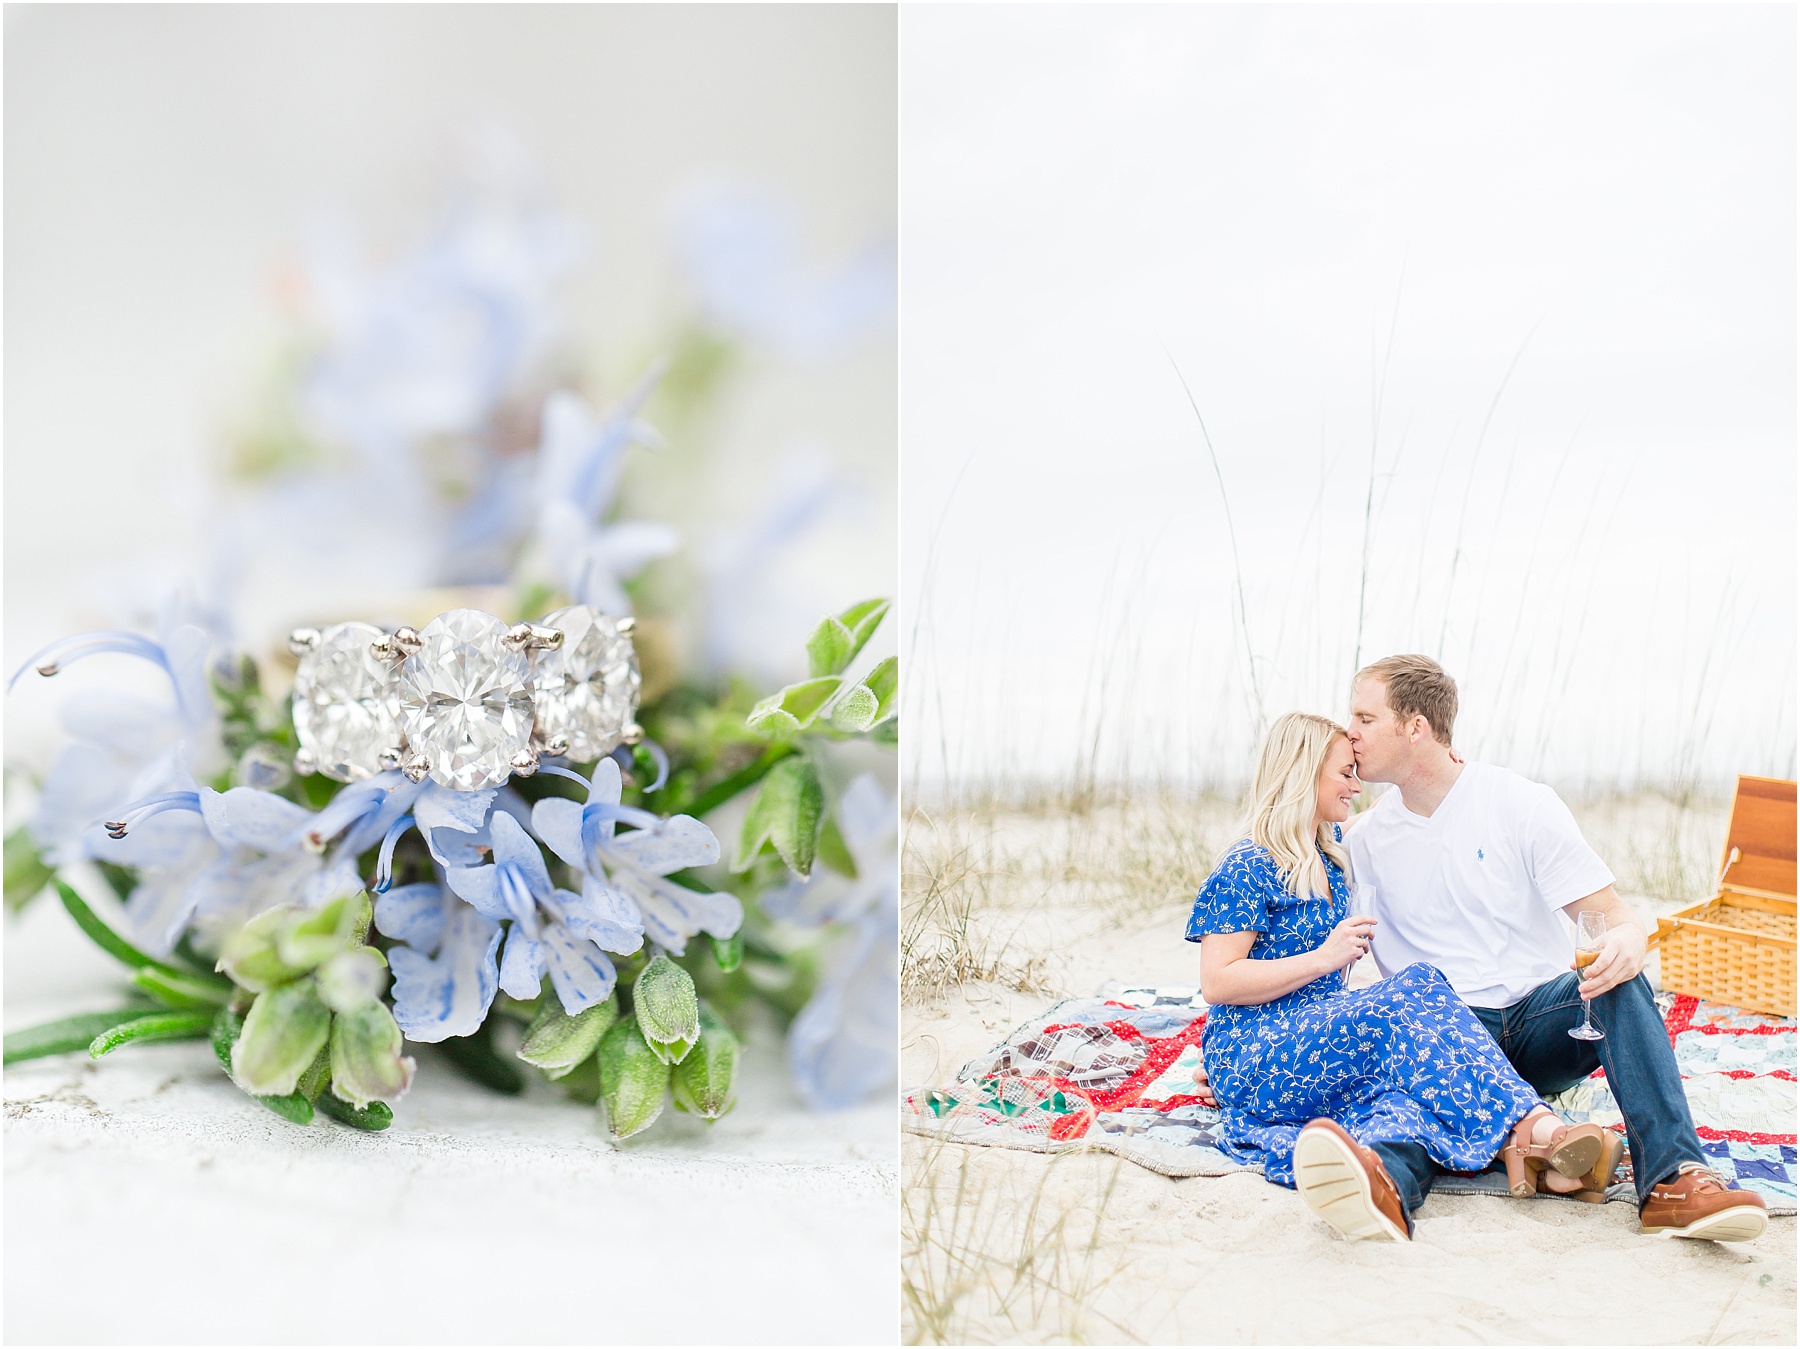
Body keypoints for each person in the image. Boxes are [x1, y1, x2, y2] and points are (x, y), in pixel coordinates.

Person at [1192, 657, 1769, 1243]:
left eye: (1365, 717)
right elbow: (1264, 942)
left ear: (1415, 728)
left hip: (1539, 1022)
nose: (1353, 734)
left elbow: (1614, 917)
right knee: (1397, 1086)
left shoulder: (1520, 804)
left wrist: (1626, 941)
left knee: (1619, 983)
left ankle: (1673, 1180)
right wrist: (1247, 1051)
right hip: (1438, 1036)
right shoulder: (1356, 845)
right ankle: (1389, 1185)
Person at [1186, 711, 1610, 1244]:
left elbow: (1413, 809)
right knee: (1415, 987)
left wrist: (1447, 761)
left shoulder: (1331, 849)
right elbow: (1218, 982)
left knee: (1406, 1093)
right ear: (1302, 776)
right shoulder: (1247, 864)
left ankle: (1384, 1190)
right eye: (1344, 773)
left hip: (1315, 1035)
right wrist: (1322, 959)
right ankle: (1537, 1130)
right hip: (1259, 1047)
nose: (1356, 784)